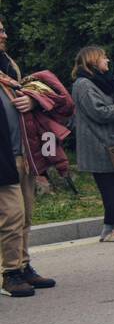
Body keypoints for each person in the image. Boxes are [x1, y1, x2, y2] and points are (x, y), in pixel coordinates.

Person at [0, 18, 58, 297]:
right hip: (3, 158)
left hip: (22, 151)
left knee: (25, 216)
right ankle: (8, 274)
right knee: (11, 216)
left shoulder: (8, 67)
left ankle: (23, 266)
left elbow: (30, 92)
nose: (5, 34)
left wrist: (32, 100)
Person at [70, 47, 114, 243]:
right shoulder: (83, 85)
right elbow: (100, 113)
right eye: (103, 57)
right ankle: (108, 230)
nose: (107, 60)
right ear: (92, 61)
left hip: (111, 142)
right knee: (111, 189)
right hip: (98, 145)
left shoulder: (101, 82)